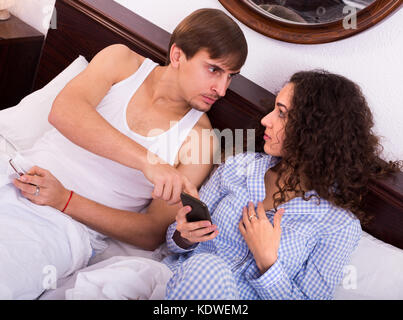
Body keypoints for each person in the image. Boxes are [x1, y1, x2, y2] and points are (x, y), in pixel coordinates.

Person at [0, 8, 248, 299]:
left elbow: (151, 233)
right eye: (214, 69)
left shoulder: (200, 140)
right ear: (178, 55)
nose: (221, 89)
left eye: (231, 76)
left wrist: (65, 200)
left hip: (62, 227)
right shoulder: (122, 61)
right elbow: (64, 112)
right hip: (15, 173)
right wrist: (148, 162)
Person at [162, 70, 401, 300]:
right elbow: (174, 245)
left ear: (316, 133)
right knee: (206, 267)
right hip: (181, 285)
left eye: (282, 113)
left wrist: (267, 262)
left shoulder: (338, 226)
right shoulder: (238, 167)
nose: (266, 119)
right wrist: (184, 236)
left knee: (209, 267)